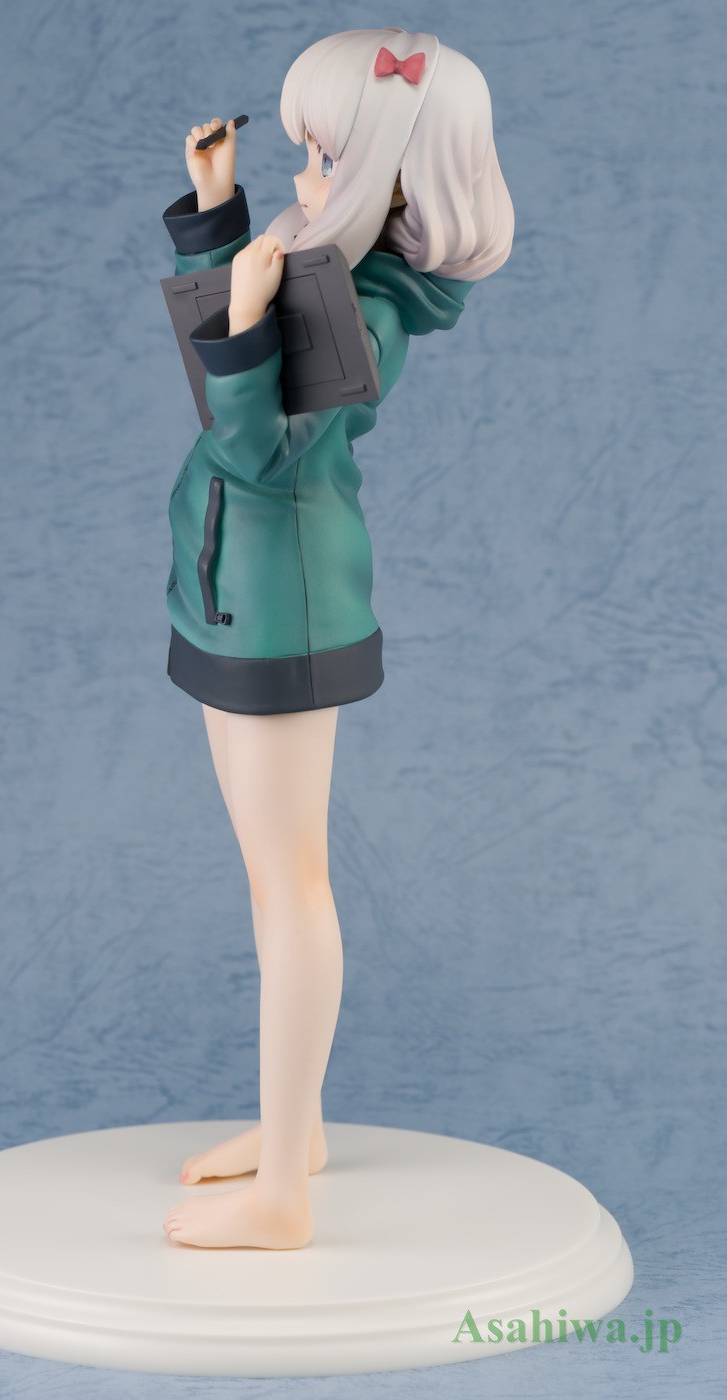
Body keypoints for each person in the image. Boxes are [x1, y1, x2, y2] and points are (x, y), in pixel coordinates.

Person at [160, 27, 514, 1249]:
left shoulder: (369, 308)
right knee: (270, 881)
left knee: (293, 885)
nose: (305, 176)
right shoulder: (333, 274)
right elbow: (240, 374)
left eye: (324, 157)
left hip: (282, 606)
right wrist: (217, 219)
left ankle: (282, 1194)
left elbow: (260, 449)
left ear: (391, 179)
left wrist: (243, 318)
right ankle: (292, 1129)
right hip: (232, 592)